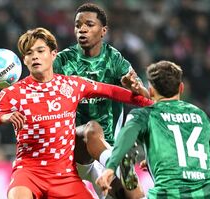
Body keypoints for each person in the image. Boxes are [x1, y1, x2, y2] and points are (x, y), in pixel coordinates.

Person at [0, 27, 152, 199]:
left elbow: (113, 92)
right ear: (24, 61)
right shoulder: (13, 93)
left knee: (91, 131)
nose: (34, 56)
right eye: (29, 53)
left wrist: (150, 103)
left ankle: (118, 168)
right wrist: (3, 117)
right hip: (29, 172)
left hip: (64, 175)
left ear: (53, 55)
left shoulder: (72, 85)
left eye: (40, 50)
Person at [53, 3, 148, 199]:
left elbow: (144, 98)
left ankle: (121, 168)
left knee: (129, 196)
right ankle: (118, 162)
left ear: (103, 31)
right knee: (91, 129)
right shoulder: (63, 61)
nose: (82, 29)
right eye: (78, 25)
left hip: (107, 147)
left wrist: (136, 88)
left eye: (89, 24)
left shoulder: (114, 59)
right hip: (75, 147)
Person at [96, 60, 210, 198]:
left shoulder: (146, 115)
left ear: (151, 91)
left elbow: (125, 137)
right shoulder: (201, 116)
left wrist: (110, 168)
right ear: (181, 88)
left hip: (169, 194)